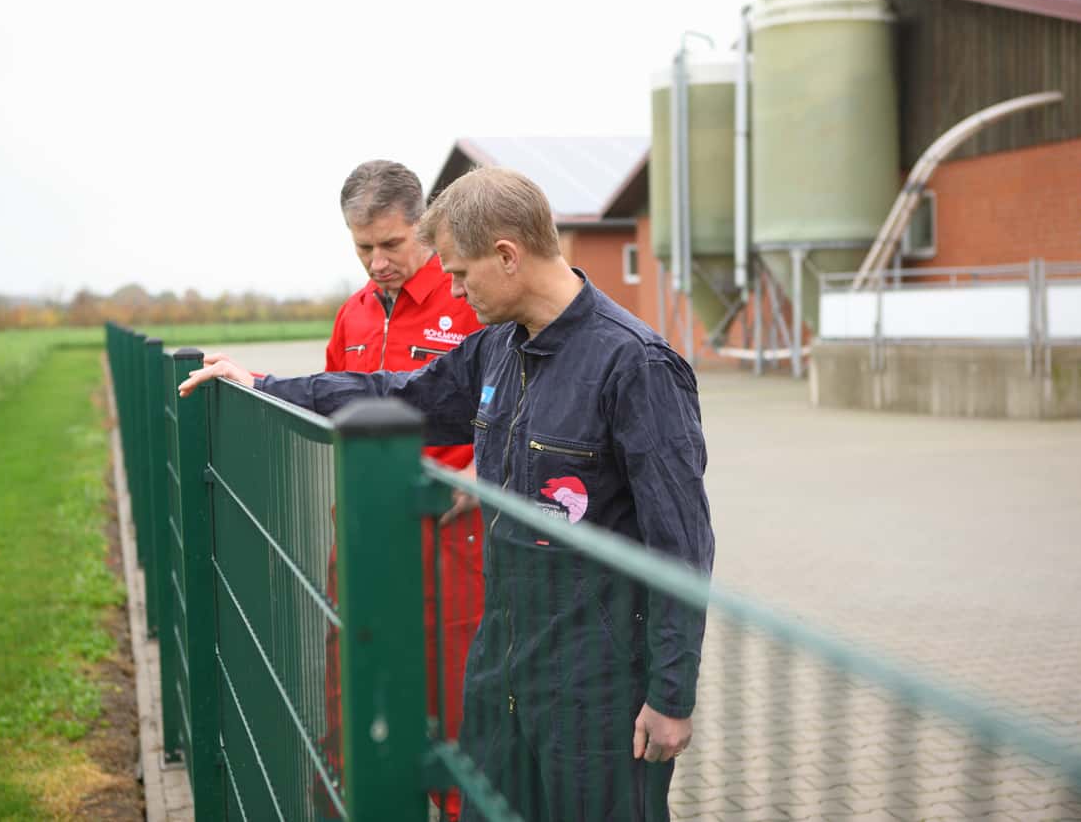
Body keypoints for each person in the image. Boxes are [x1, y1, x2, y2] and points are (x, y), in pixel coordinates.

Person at [180, 167, 715, 822]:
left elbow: (681, 545)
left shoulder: (636, 366)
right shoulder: (496, 350)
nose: (454, 289)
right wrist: (263, 385)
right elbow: (392, 395)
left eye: (460, 273)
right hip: (501, 675)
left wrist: (671, 694)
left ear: (507, 255)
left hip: (596, 690)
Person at [205, 160, 485, 821]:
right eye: (363, 248)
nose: (377, 262)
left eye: (391, 244)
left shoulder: (467, 304)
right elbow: (333, 399)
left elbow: (503, 405)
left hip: (450, 539)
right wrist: (259, 387)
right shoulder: (352, 317)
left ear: (423, 226)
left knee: (450, 695)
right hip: (361, 532)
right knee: (350, 685)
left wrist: (483, 472)